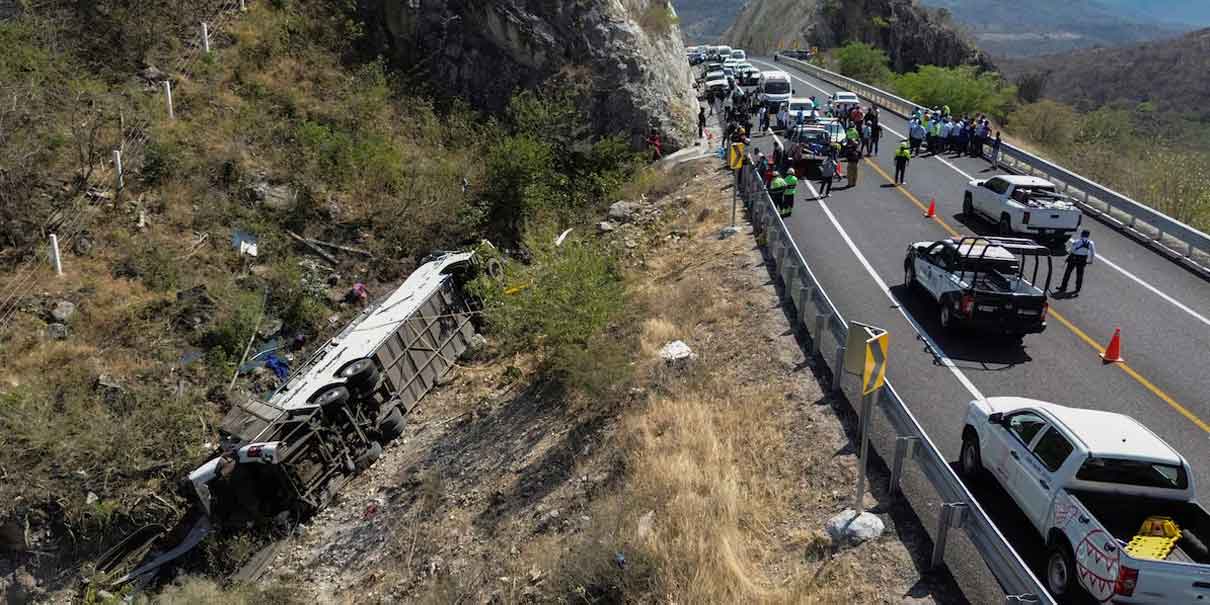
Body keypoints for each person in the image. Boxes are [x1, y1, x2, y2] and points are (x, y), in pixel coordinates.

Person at [1056, 230, 1096, 295]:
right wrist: (1091, 261)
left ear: (1081, 234)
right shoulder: (1091, 243)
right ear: (1088, 235)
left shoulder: (1077, 241)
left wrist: (1067, 252)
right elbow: (1093, 253)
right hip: (1083, 259)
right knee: (1080, 274)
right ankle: (1077, 289)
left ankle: (1063, 287)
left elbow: (1071, 250)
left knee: (1068, 273)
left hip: (1074, 258)